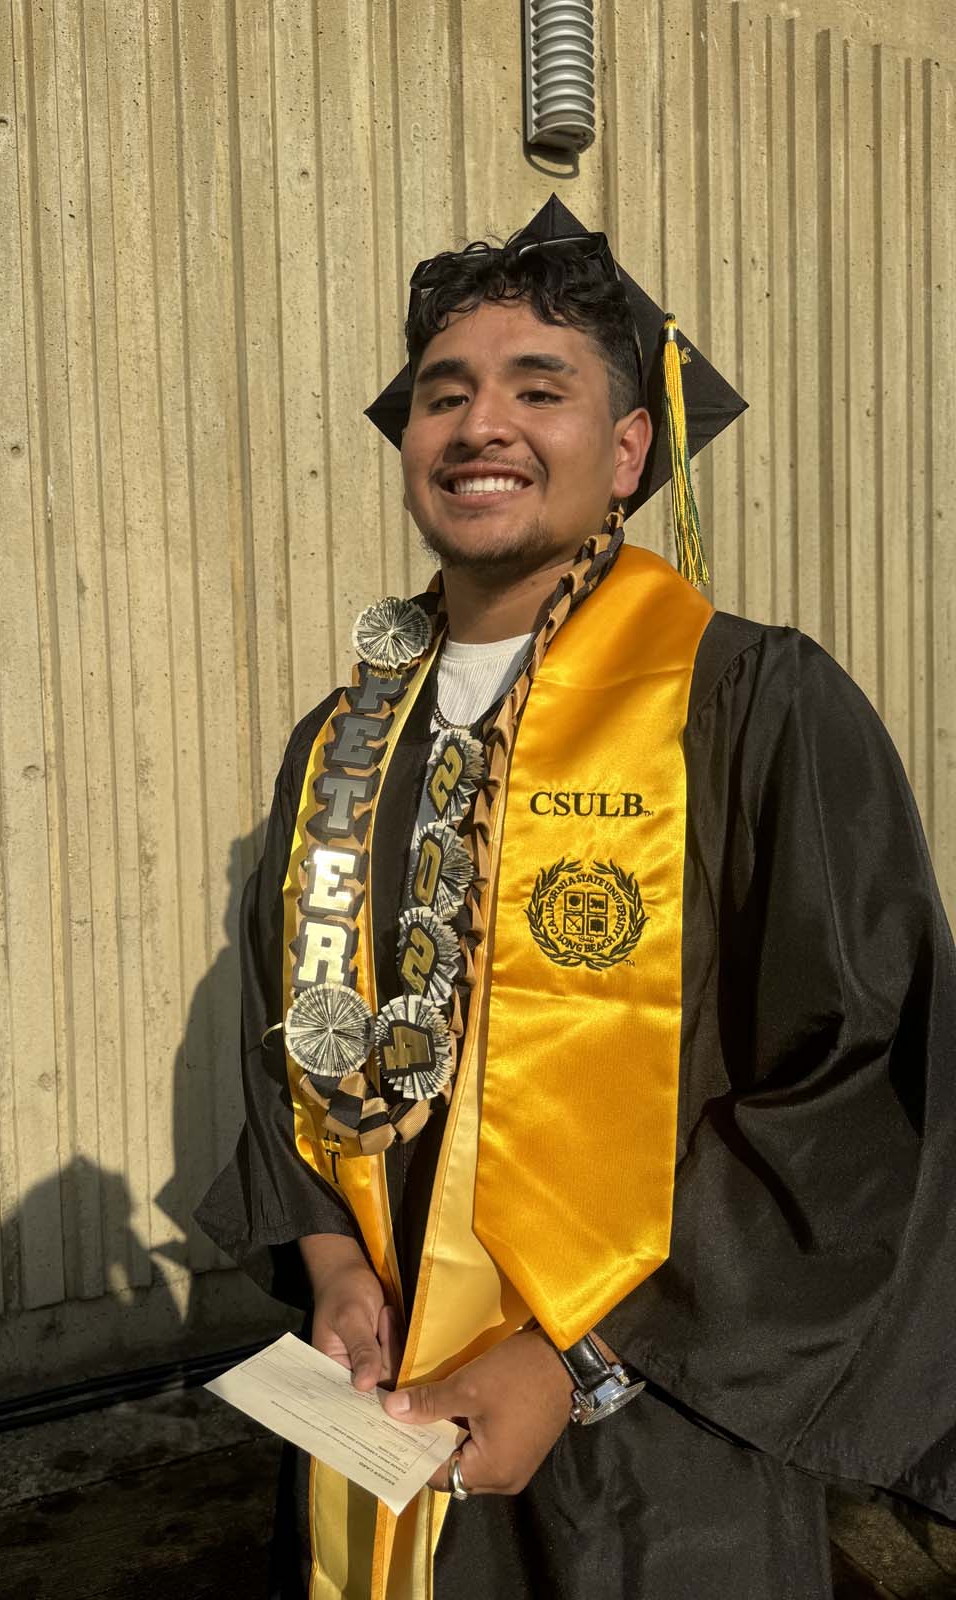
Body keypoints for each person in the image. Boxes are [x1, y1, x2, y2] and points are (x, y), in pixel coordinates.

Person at [196, 197, 956, 1599]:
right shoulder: (344, 749)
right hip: (389, 1407)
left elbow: (856, 1086)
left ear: (626, 452)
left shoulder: (754, 706)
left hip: (661, 1439)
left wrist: (573, 1358)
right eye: (444, 392)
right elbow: (284, 1030)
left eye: (537, 389)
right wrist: (328, 1264)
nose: (480, 422)